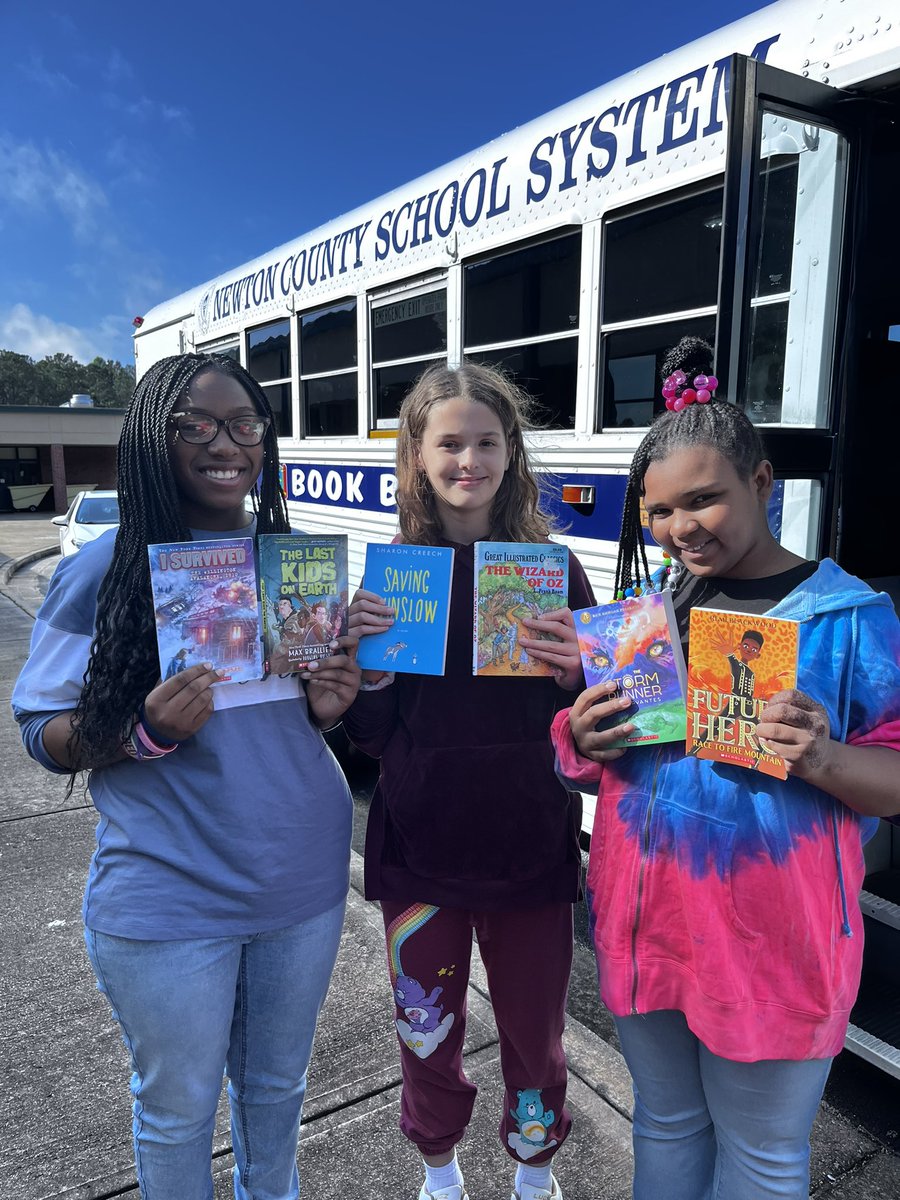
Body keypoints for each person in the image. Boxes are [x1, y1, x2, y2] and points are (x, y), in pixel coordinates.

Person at [550, 336, 900, 1200]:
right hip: (647, 929)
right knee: (664, 1126)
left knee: (763, 1160)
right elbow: (597, 764)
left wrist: (821, 755)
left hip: (775, 949)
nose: (679, 529)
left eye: (702, 500)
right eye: (658, 512)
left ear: (762, 484)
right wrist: (578, 737)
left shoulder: (850, 617)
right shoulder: (645, 617)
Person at [12, 353, 360, 1200]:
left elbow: (296, 722)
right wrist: (140, 732)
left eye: (246, 424)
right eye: (193, 425)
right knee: (177, 1113)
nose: (224, 443)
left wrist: (332, 705)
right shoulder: (105, 569)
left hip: (301, 883)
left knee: (278, 1096)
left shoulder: (293, 562)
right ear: (149, 439)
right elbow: (39, 729)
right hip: (168, 897)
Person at [343, 362, 595, 1200]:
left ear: (510, 452)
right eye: (448, 442)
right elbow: (372, 740)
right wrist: (367, 675)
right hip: (421, 852)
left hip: (529, 851)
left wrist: (575, 681)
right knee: (425, 1028)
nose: (468, 460)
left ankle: (533, 1169)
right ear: (415, 455)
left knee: (537, 1034)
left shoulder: (552, 571)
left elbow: (592, 732)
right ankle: (439, 1166)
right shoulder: (392, 582)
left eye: (487, 441)